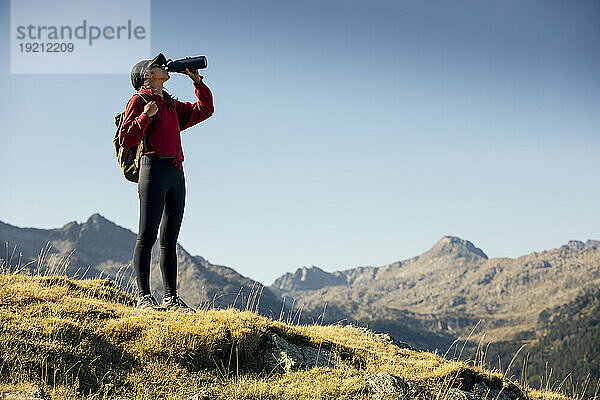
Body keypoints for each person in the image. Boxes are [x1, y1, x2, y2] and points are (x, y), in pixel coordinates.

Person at [119, 53, 214, 312]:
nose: (162, 64)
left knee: (170, 240)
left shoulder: (171, 105)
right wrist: (145, 116)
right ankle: (144, 297)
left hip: (175, 172)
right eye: (155, 64)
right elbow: (125, 138)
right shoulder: (138, 100)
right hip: (153, 169)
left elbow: (205, 110)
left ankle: (171, 298)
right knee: (147, 235)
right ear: (146, 76)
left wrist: (197, 83)